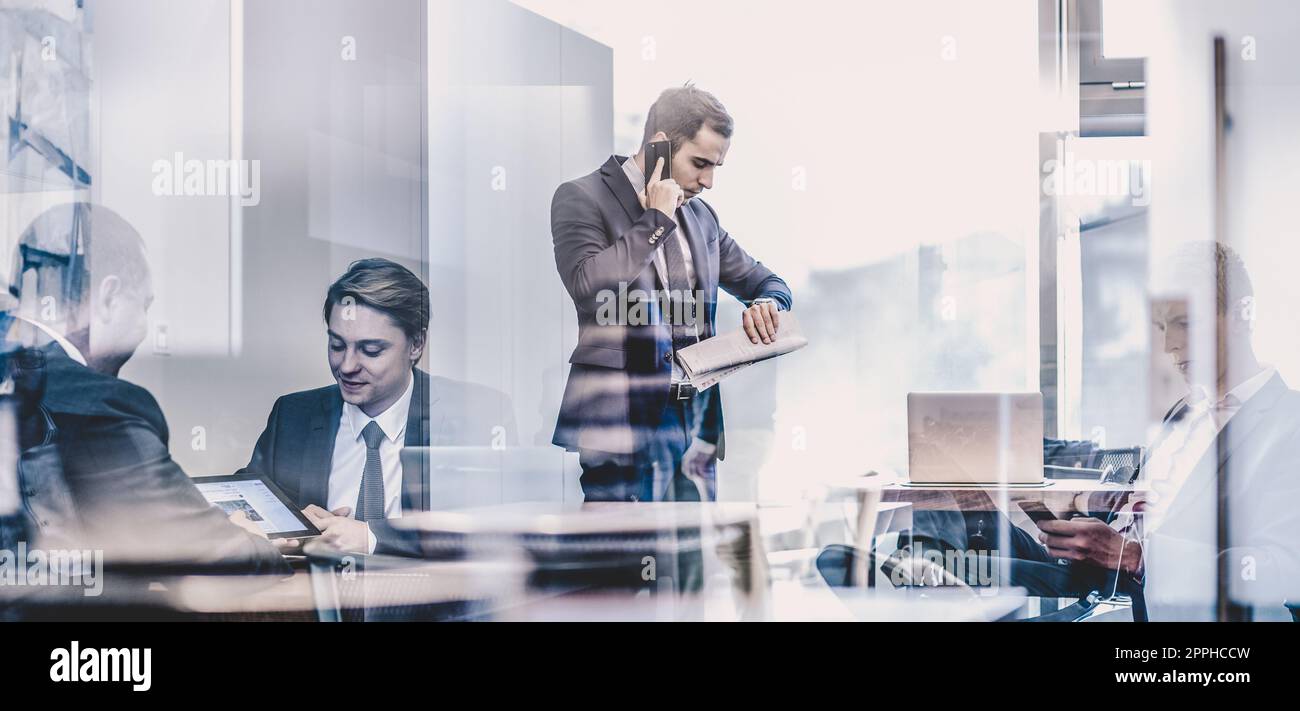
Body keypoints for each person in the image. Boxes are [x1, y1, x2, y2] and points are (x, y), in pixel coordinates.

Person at [826, 242, 1300, 620]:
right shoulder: (1185, 413)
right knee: (939, 501)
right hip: (1089, 562)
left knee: (878, 568)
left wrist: (1136, 555)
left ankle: (940, 588)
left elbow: (1283, 573)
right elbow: (1145, 507)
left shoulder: (1287, 424)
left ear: (1242, 314)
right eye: (1161, 327)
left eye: (1185, 323)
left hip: (1124, 585)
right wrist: (1074, 514)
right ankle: (933, 580)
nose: (1170, 345)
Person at [6, 202, 286, 574]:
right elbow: (216, 557)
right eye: (144, 305)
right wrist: (248, 540)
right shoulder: (102, 405)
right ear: (108, 297)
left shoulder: (20, 376)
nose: (144, 327)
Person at [550, 84, 792, 503]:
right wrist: (656, 219)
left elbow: (767, 282)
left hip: (695, 424)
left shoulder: (701, 218)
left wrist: (768, 303)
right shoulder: (582, 197)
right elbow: (588, 286)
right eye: (699, 163)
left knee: (691, 560)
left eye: (716, 166)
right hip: (620, 424)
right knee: (622, 560)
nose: (709, 181)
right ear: (659, 146)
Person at [240, 258, 517, 556]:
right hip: (317, 597)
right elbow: (244, 507)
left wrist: (372, 537)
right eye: (336, 345)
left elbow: (495, 528)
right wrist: (290, 524)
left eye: (370, 350)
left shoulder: (475, 415)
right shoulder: (294, 416)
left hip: (432, 598)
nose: (346, 366)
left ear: (416, 345)